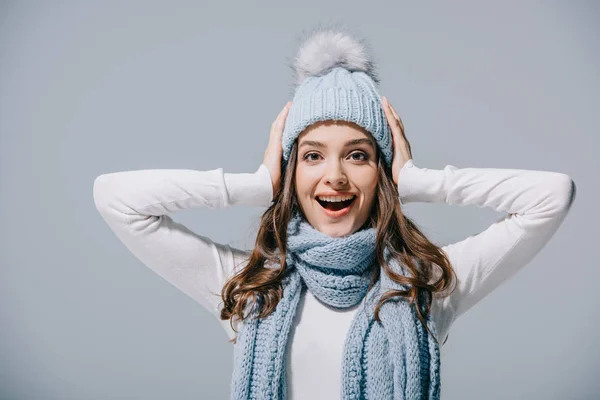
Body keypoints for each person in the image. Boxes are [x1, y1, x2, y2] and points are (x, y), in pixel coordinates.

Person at [93, 27, 576, 400]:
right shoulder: (248, 286)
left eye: (359, 155)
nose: (336, 176)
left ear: (381, 173)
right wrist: (255, 184)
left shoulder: (427, 283)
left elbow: (550, 196)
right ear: (291, 173)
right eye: (312, 155)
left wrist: (419, 181)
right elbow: (116, 198)